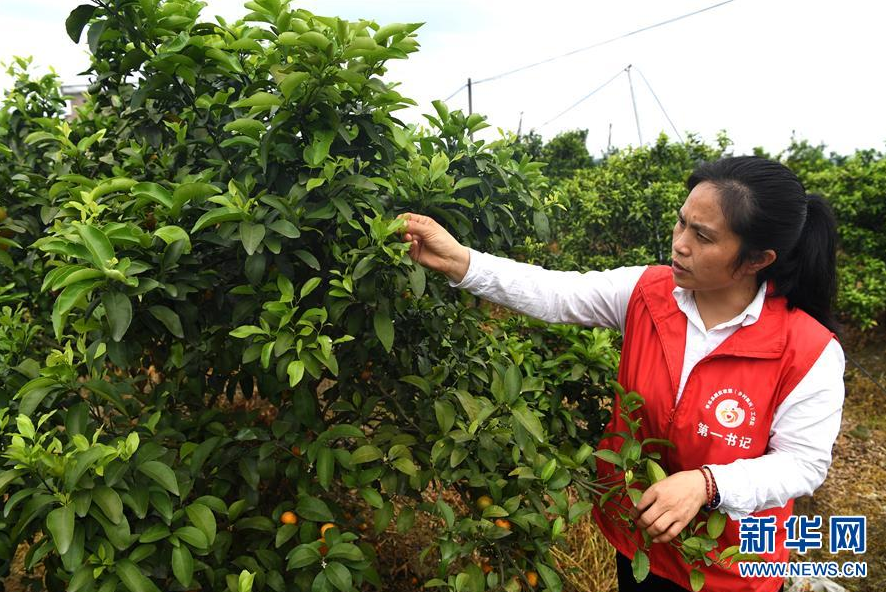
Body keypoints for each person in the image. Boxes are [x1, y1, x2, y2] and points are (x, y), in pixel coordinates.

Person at [397, 156, 845, 592]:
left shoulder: (808, 350)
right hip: (638, 537)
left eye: (703, 236)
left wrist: (708, 484)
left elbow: (803, 463)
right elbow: (556, 293)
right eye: (681, 222)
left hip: (726, 564)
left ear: (756, 260)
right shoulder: (648, 293)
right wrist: (460, 260)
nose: (680, 243)